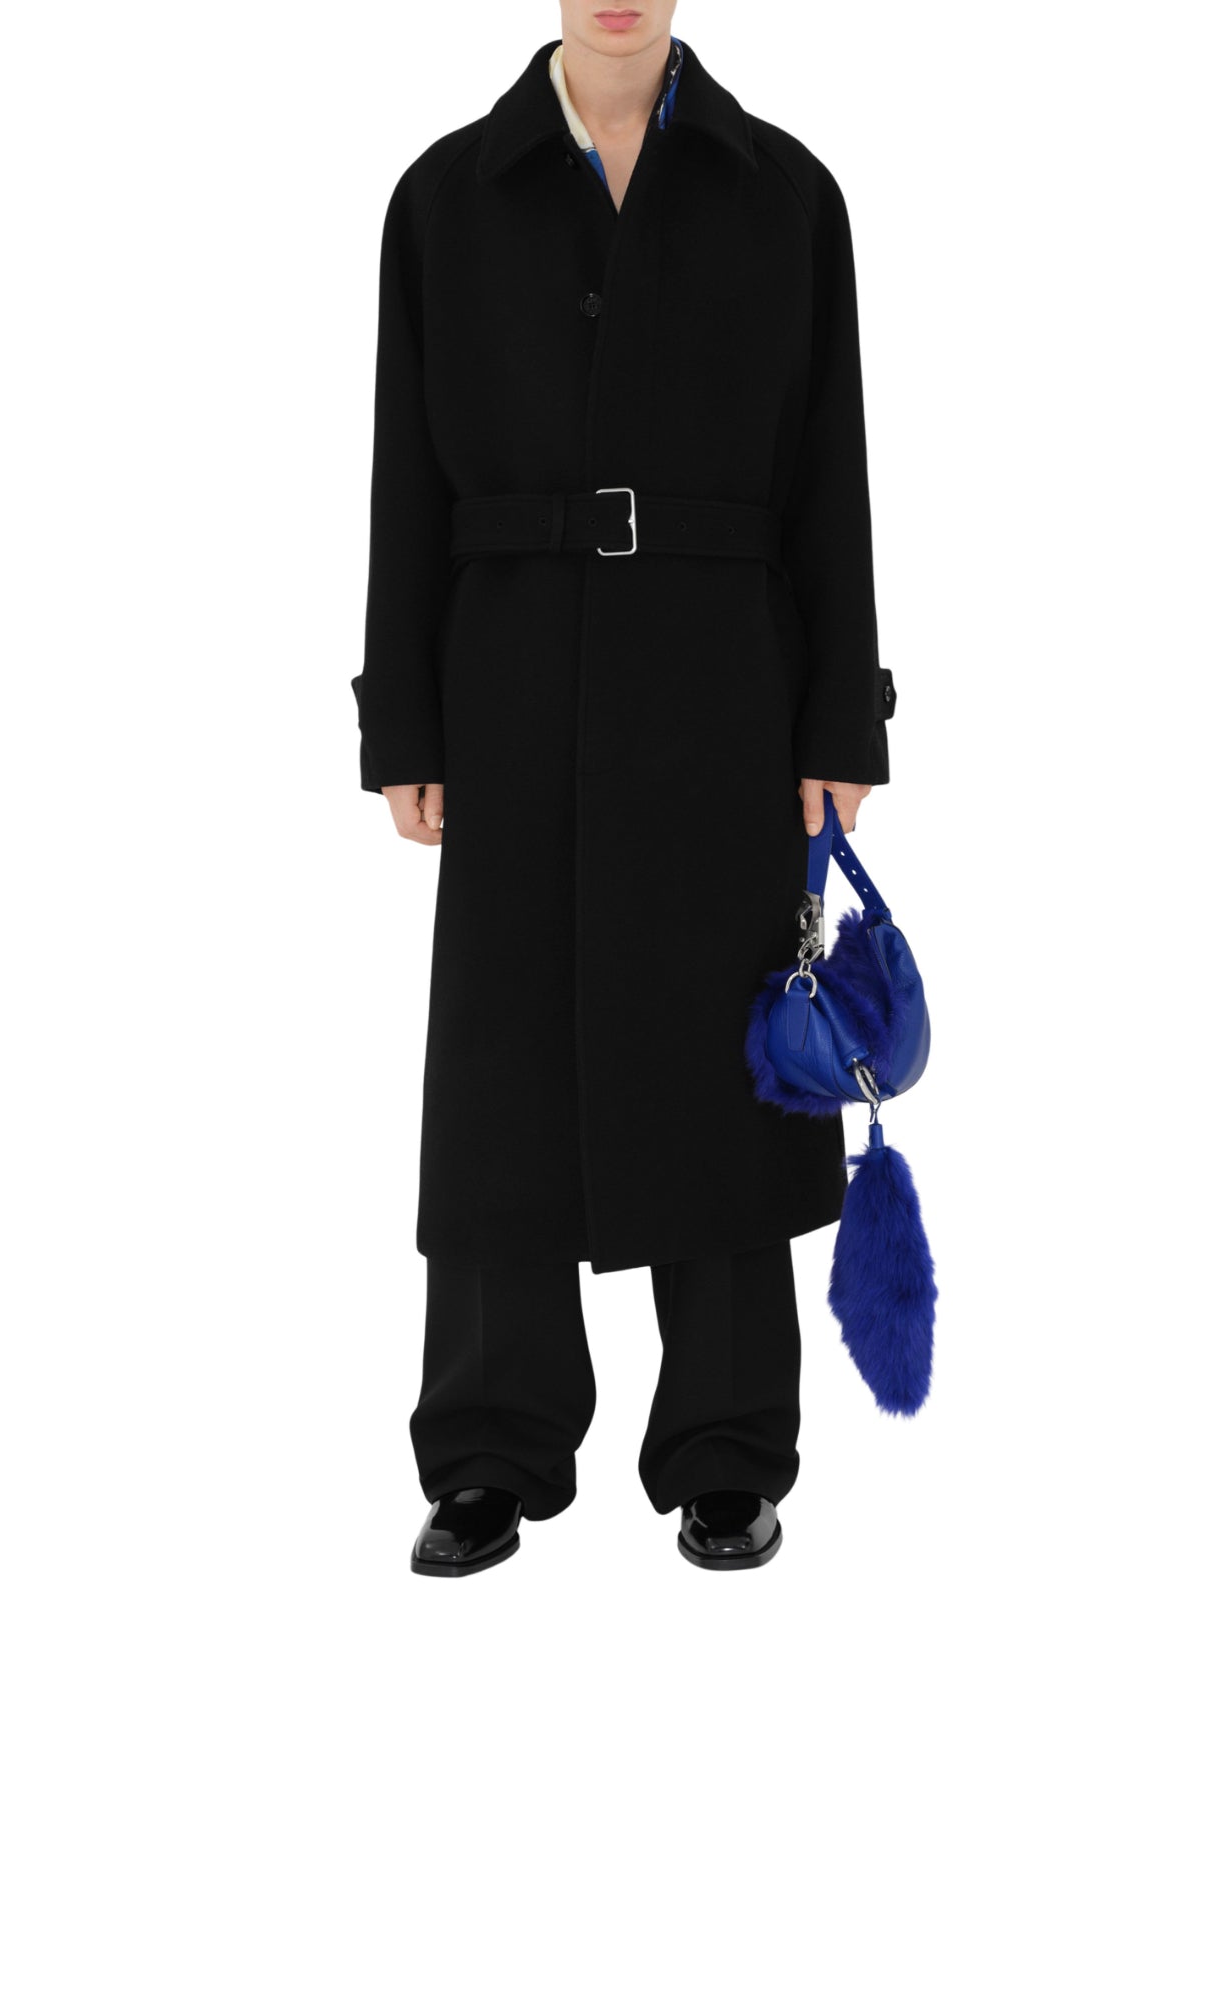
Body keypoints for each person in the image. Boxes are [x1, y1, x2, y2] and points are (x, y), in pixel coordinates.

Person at [352, 3, 896, 1576]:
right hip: (510, 673)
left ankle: (728, 1447)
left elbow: (830, 474)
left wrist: (838, 716)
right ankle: (489, 1445)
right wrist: (407, 718)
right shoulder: (447, 196)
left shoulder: (783, 195)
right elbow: (405, 473)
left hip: (721, 679)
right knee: (505, 1061)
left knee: (723, 1054)